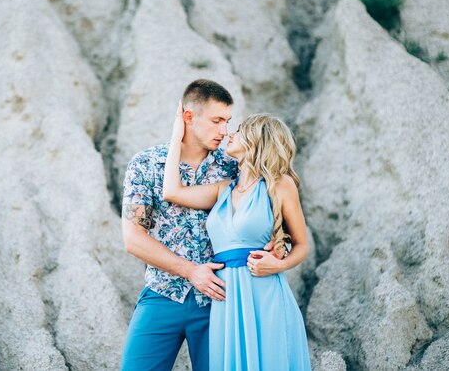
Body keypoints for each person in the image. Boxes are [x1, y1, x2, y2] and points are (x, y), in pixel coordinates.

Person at [120, 79, 284, 371]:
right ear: (188, 118)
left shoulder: (234, 164)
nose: (224, 130)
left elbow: (272, 202)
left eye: (228, 121)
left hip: (221, 300)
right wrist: (190, 271)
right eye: (217, 120)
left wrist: (277, 244)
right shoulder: (146, 164)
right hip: (163, 293)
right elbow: (133, 238)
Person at [162, 102, 312, 370]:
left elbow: (301, 245)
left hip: (264, 294)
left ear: (258, 140)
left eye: (240, 130)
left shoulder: (279, 184)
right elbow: (172, 191)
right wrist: (177, 136)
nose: (230, 133)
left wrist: (279, 264)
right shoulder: (223, 190)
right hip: (226, 299)